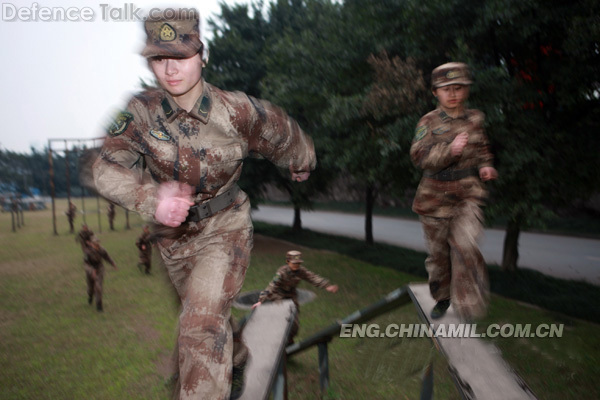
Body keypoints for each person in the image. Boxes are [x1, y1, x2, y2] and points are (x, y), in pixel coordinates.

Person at [92, 9, 316, 400]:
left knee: (200, 324)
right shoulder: (139, 111)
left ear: (202, 55)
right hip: (173, 242)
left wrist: (302, 161)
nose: (169, 69)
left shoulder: (237, 110)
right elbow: (105, 169)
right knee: (209, 317)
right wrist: (151, 198)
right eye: (158, 59)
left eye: (180, 57)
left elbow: (281, 131)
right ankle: (239, 355)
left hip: (225, 229)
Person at [410, 62, 498, 321]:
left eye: (458, 88)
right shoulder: (428, 121)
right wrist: (450, 150)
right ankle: (443, 297)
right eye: (446, 89)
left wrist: (486, 166)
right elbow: (419, 157)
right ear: (435, 92)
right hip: (434, 198)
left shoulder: (475, 119)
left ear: (466, 91)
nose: (452, 94)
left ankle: (468, 303)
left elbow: (482, 146)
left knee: (466, 245)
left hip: (467, 195)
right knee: (439, 257)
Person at [252, 250, 338, 344]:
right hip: (278, 295)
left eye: (298, 263)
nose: (296, 266)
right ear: (288, 262)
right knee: (281, 313)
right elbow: (272, 286)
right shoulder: (281, 273)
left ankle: (290, 339)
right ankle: (273, 336)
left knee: (294, 319)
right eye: (294, 263)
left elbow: (312, 277)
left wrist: (326, 286)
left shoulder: (301, 271)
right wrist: (261, 300)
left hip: (291, 295)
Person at [80, 233, 118, 312]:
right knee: (90, 289)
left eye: (97, 242)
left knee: (98, 287)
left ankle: (99, 305)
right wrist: (91, 271)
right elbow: (86, 264)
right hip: (90, 269)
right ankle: (90, 296)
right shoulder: (88, 252)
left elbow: (107, 257)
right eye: (94, 243)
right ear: (91, 243)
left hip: (99, 268)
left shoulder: (101, 249)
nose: (96, 244)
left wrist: (113, 263)